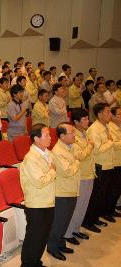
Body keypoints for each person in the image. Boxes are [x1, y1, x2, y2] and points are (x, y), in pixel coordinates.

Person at [20, 124, 56, 267]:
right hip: (36, 204)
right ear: (36, 139)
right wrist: (53, 171)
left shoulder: (48, 153)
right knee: (34, 237)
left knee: (43, 236)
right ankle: (28, 264)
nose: (50, 137)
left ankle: (36, 261)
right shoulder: (31, 158)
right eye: (46, 135)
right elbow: (40, 182)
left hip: (48, 201)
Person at [47, 123, 80, 261]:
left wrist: (75, 161)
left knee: (65, 220)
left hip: (71, 189)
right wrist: (77, 162)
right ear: (62, 136)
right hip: (62, 192)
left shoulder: (69, 146)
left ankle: (60, 243)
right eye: (71, 132)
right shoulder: (57, 151)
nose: (74, 135)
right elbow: (67, 171)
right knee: (58, 221)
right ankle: (52, 247)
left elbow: (78, 157)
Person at [64, 109, 94, 243]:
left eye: (88, 118)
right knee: (77, 205)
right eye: (85, 119)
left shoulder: (85, 133)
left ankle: (76, 229)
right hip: (79, 174)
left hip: (89, 172)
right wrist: (91, 146)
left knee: (84, 204)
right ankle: (68, 233)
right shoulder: (72, 136)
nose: (88, 121)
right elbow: (79, 155)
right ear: (76, 122)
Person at [83, 103, 114, 232]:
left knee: (102, 194)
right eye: (107, 112)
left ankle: (95, 218)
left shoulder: (106, 126)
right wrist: (110, 142)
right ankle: (88, 221)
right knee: (95, 195)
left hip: (108, 164)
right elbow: (97, 150)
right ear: (99, 114)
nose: (110, 114)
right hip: (99, 166)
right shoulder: (94, 129)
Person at [108, 107, 121, 218]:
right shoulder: (110, 128)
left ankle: (113, 208)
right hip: (115, 161)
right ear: (112, 116)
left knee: (117, 188)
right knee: (113, 188)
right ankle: (109, 210)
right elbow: (115, 145)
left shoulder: (119, 126)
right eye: (119, 114)